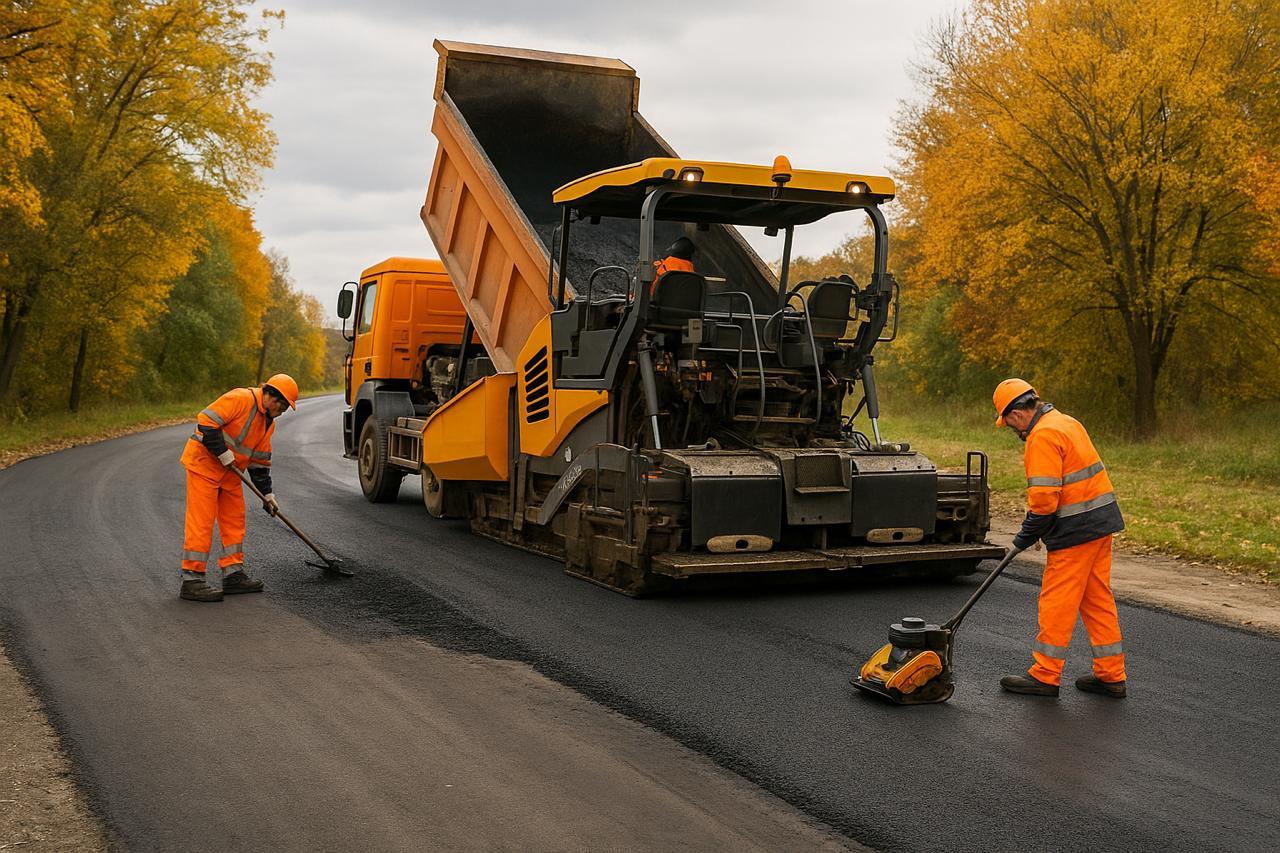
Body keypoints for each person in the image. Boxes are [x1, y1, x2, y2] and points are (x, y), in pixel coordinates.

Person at [993, 378, 1128, 698]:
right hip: (1101, 524)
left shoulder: (1042, 436)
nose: (1015, 431)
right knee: (1097, 600)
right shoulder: (1066, 422)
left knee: (1057, 602)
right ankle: (1111, 675)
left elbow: (1043, 503)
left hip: (1076, 533)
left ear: (1016, 414)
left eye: (1010, 423)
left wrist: (1024, 537)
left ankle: (1045, 675)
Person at [177, 374, 299, 602]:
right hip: (204, 465)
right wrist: (222, 453)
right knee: (201, 522)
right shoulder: (240, 398)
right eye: (281, 404)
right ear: (270, 394)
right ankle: (192, 580)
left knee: (234, 521)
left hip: (230, 474)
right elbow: (206, 421)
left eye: (285, 407)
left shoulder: (267, 423)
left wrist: (268, 495)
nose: (282, 410)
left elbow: (259, 462)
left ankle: (233, 575)